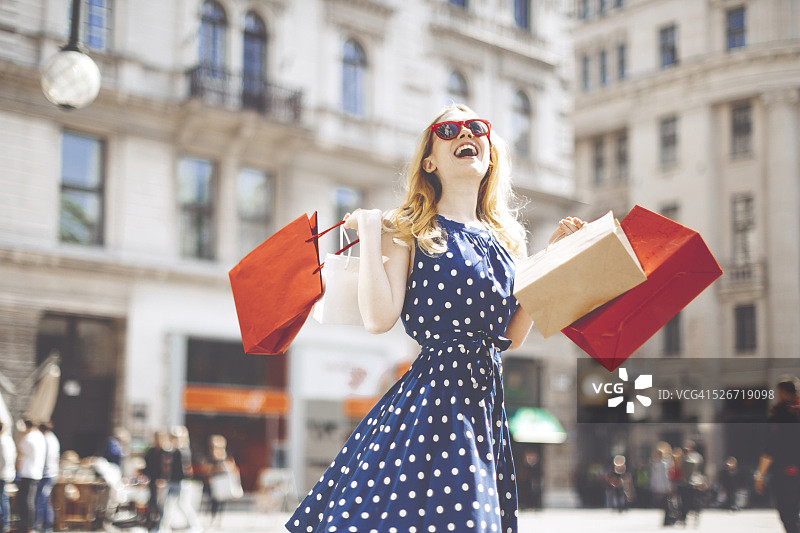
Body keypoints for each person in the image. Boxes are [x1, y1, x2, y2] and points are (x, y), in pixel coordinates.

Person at [285, 104, 585, 532]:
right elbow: (379, 318)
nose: (465, 132)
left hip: (484, 407)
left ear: (490, 152)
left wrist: (551, 259)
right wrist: (371, 235)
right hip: (433, 403)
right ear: (430, 160)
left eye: (476, 127)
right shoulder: (410, 227)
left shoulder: (508, 240)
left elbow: (512, 338)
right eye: (448, 129)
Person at [755, 376, 800, 533]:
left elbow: (769, 450)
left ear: (781, 392)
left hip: (784, 472)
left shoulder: (778, 417)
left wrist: (760, 475)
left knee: (788, 514)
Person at [160, 426, 201, 533]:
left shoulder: (182, 451)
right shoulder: (173, 451)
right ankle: (164, 527)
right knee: (169, 505)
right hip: (173, 481)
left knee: (182, 504)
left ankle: (195, 525)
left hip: (180, 482)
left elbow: (183, 469)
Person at [16, 419, 45, 533]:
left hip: (28, 472)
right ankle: (29, 526)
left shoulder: (29, 437)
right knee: (30, 500)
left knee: (26, 500)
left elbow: (19, 451)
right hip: (35, 472)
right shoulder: (40, 437)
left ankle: (27, 526)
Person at [204, 435, 237, 528]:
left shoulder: (226, 456)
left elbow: (233, 467)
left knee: (222, 502)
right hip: (214, 482)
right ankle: (212, 519)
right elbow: (208, 469)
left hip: (223, 481)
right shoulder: (211, 457)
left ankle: (219, 520)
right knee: (214, 502)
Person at [143, 431, 170, 532]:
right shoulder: (151, 450)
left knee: (160, 505)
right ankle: (150, 524)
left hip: (161, 481)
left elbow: (167, 468)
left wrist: (163, 479)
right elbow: (147, 465)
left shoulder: (165, 451)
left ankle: (159, 525)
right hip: (152, 480)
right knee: (152, 502)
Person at [35, 422, 59, 533]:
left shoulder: (46, 440)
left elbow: (44, 458)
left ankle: (44, 526)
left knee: (41, 499)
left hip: (47, 474)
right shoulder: (52, 438)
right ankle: (46, 525)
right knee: (45, 499)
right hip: (50, 473)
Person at [648, 442, 673, 525]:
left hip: (660, 486)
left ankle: (667, 519)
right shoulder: (663, 464)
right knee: (666, 503)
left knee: (664, 503)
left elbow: (654, 477)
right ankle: (667, 519)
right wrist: (669, 485)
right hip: (664, 486)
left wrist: (653, 485)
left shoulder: (655, 464)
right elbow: (665, 476)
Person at [0, 422, 16, 533]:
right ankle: (5, 524)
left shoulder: (3, 440)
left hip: (2, 474)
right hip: (6, 473)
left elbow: (5, 459)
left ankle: (4, 524)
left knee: (2, 499)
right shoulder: (8, 439)